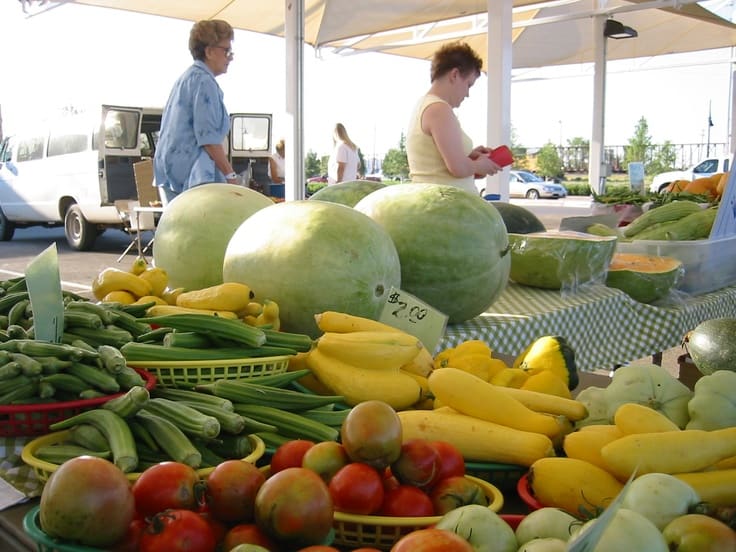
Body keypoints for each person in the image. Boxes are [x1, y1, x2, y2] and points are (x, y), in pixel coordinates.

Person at [154, 19, 240, 204]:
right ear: (209, 51)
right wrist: (230, 174)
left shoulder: (186, 79)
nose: (230, 57)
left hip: (171, 172)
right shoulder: (204, 82)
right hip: (192, 175)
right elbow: (208, 138)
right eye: (226, 51)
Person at [406, 41, 501, 194]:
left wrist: (469, 155)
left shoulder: (426, 105)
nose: (467, 94)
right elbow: (458, 168)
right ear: (455, 75)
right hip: (445, 206)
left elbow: (438, 166)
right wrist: (478, 165)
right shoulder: (439, 109)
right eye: (468, 85)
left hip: (434, 202)